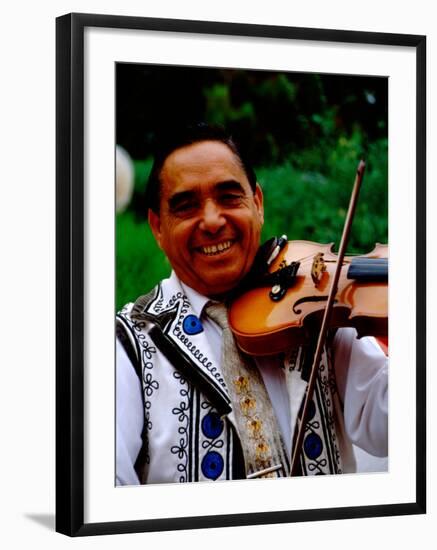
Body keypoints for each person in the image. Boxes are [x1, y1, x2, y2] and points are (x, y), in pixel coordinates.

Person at [116, 123, 388, 485]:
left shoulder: (317, 311)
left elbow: (391, 422)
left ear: (257, 204)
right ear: (157, 227)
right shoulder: (127, 345)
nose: (212, 221)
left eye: (229, 197)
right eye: (186, 206)